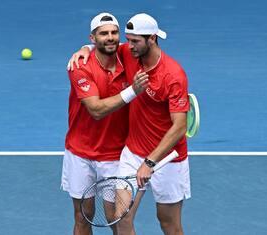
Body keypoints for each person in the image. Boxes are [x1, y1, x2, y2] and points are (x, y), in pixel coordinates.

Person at [69, 13, 191, 235]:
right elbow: (104, 44)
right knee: (121, 218)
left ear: (151, 39)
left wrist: (150, 162)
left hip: (166, 158)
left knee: (168, 223)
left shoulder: (173, 75)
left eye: (134, 41)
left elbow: (180, 126)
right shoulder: (129, 53)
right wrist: (85, 48)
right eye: (128, 39)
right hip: (133, 153)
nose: (127, 45)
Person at [61, 12, 149, 235]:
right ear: (93, 38)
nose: (110, 37)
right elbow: (96, 110)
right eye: (103, 34)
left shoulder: (126, 55)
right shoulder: (80, 66)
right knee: (83, 216)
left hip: (115, 156)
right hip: (80, 154)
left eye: (114, 33)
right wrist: (132, 91)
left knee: (116, 218)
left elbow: (149, 47)